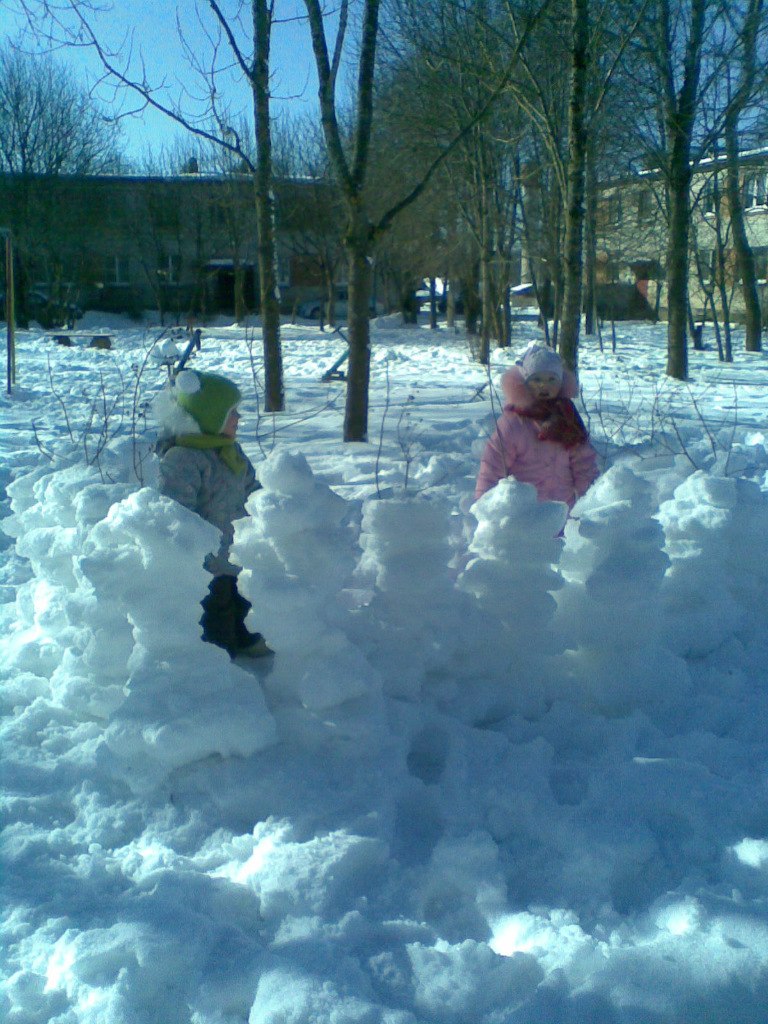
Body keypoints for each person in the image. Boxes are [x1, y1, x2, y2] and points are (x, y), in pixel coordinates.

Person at [155, 369, 273, 659]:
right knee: (217, 606)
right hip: (208, 559)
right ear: (210, 417)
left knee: (243, 598)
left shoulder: (231, 451)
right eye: (231, 412)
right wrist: (196, 550)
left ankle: (246, 638)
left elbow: (253, 489)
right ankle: (219, 656)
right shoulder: (182, 458)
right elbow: (177, 509)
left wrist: (268, 509)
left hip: (238, 549)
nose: (238, 418)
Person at [475, 344, 599, 507]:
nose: (544, 386)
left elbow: (584, 464)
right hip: (524, 512)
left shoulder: (568, 417)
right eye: (537, 379)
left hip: (561, 511)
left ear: (561, 383)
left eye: (551, 379)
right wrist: (484, 506)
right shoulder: (514, 422)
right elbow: (493, 465)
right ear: (525, 382)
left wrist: (590, 503)